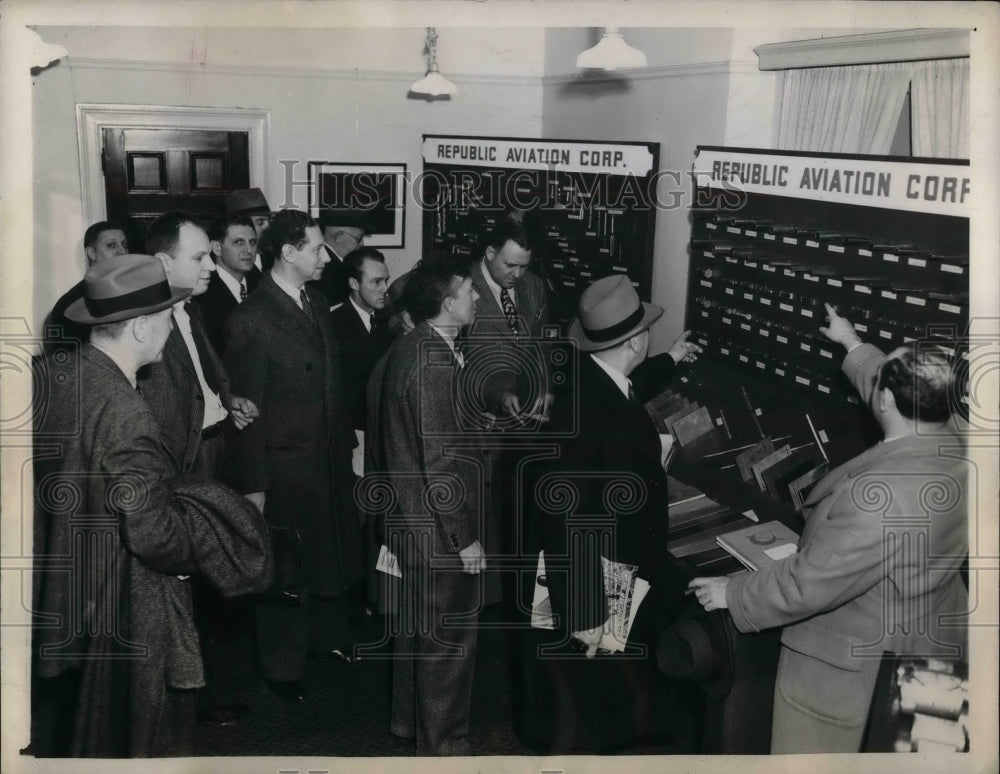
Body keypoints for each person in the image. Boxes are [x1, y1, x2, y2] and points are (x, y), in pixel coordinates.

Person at [688, 303, 969, 753]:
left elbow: (809, 584)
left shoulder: (877, 500)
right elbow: (892, 380)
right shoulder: (961, 439)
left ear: (886, 400)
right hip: (930, 644)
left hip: (855, 670)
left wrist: (733, 592)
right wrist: (851, 342)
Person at [31, 254, 271, 757]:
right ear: (140, 327)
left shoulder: (65, 374)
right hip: (130, 601)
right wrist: (198, 552)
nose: (171, 329)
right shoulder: (127, 411)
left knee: (97, 732)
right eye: (166, 317)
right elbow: (153, 535)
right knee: (150, 735)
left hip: (77, 588)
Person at [515, 273, 694, 753]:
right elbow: (568, 520)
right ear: (636, 341)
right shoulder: (593, 415)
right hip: (600, 578)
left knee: (602, 693)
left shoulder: (587, 377)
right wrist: (586, 611)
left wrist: (670, 361)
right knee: (596, 703)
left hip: (608, 567)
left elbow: (629, 384)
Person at [224, 209, 365, 702]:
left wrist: (348, 445)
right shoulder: (251, 318)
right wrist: (254, 485)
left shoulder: (318, 300)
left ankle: (324, 642)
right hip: (283, 468)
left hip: (326, 459)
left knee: (326, 558)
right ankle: (281, 671)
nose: (325, 256)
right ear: (288, 253)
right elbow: (246, 414)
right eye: (315, 247)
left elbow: (335, 384)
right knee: (285, 570)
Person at [137, 211, 260, 726]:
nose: (210, 263)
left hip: (213, 452)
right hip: (179, 468)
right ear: (164, 262)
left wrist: (226, 402)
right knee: (180, 583)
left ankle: (197, 690)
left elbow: (202, 380)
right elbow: (155, 410)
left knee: (206, 581)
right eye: (199, 256)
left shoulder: (190, 309)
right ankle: (184, 701)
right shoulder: (146, 322)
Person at [374, 257, 493, 755]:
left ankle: (409, 724)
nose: (477, 297)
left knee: (416, 637)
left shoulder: (413, 345)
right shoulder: (433, 361)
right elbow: (441, 463)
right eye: (469, 291)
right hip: (436, 530)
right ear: (447, 304)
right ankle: (444, 747)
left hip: (408, 521)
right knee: (448, 644)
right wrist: (463, 537)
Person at [328, 247, 392, 477]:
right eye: (376, 282)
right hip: (352, 437)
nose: (384, 289)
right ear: (354, 284)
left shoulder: (387, 323)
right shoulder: (332, 324)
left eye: (386, 280)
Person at [44, 220, 130, 354]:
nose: (122, 251)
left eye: (124, 244)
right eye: (111, 245)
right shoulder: (71, 304)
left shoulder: (131, 291)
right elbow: (71, 366)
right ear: (91, 253)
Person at [196, 213, 262, 353]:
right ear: (217, 248)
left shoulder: (263, 283)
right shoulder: (201, 293)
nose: (249, 250)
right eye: (239, 242)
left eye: (252, 242)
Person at [312, 209, 370, 307]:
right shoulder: (331, 271)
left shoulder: (336, 263)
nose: (362, 244)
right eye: (358, 239)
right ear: (339, 236)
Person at [224, 187, 273, 269]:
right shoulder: (229, 265)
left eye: (270, 221)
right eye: (260, 223)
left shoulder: (276, 259)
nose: (268, 227)